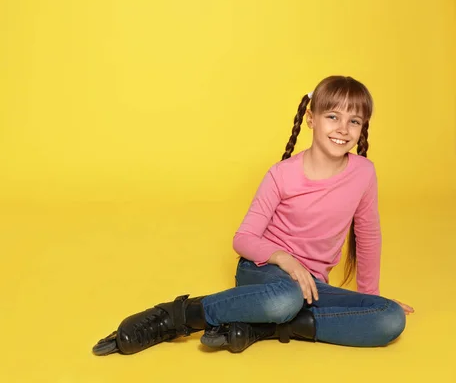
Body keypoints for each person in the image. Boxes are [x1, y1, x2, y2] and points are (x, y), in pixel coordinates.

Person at [92, 75, 414, 356]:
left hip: (312, 288)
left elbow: (369, 235)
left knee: (389, 318)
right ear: (312, 119)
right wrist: (285, 260)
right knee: (284, 299)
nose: (343, 129)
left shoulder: (364, 174)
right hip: (265, 274)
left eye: (354, 121)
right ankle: (178, 316)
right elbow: (243, 239)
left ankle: (264, 329)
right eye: (333, 116)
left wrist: (371, 301)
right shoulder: (282, 175)